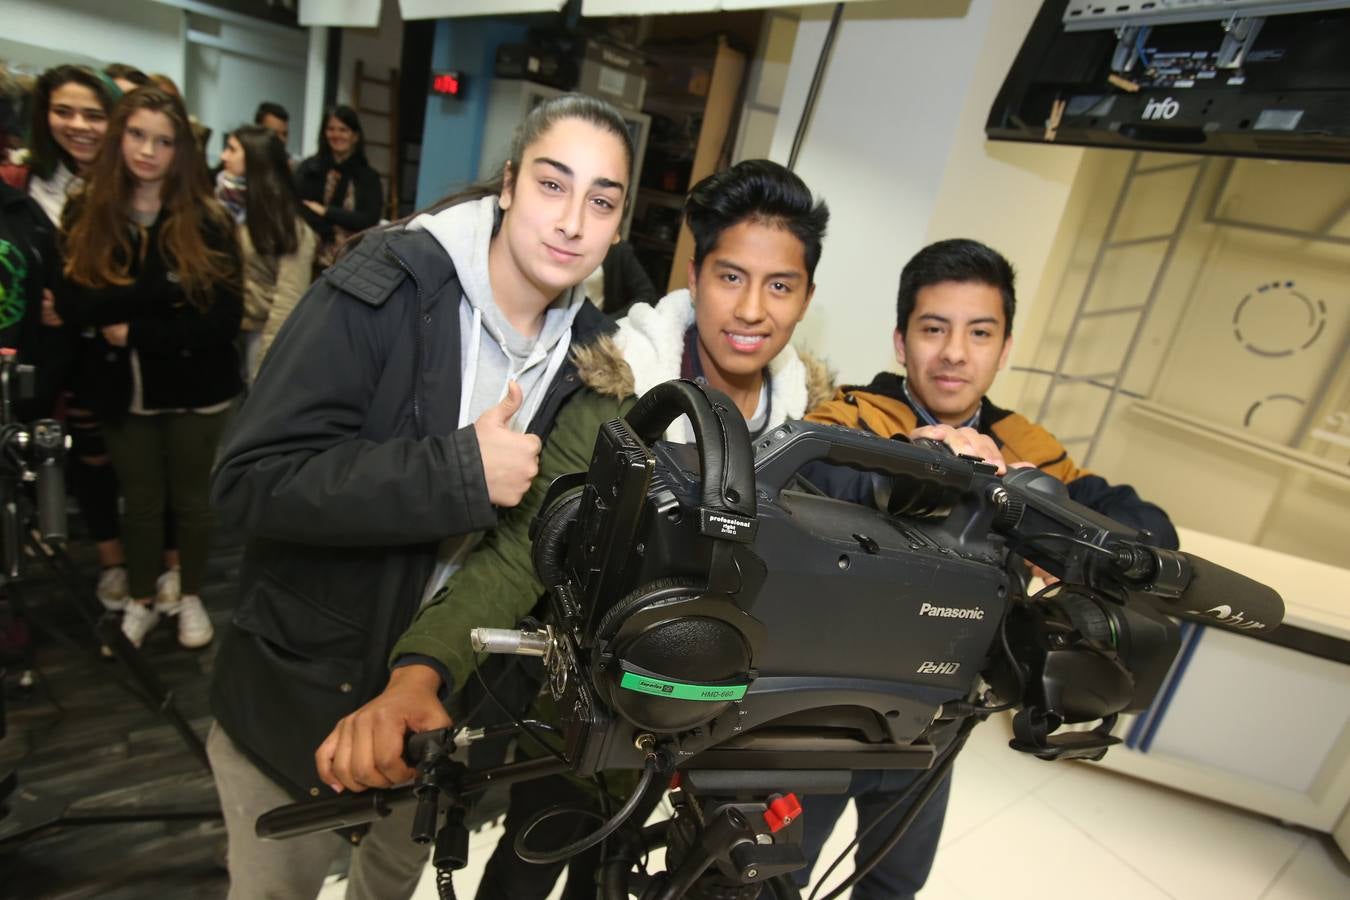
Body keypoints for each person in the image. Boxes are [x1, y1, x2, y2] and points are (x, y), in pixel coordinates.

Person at [315, 158, 836, 900]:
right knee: (528, 869)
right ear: (695, 273)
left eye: (779, 285)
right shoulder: (620, 402)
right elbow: (520, 554)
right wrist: (418, 673)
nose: (752, 308)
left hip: (708, 727)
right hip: (581, 717)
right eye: (730, 277)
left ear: (807, 295)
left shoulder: (803, 435)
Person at [206, 93, 636, 900]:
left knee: (389, 883)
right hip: (301, 691)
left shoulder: (590, 363)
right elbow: (249, 480)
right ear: (508, 185)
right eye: (553, 184)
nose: (573, 220)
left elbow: (524, 554)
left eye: (601, 200)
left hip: (442, 709)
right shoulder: (386, 287)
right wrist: (458, 476)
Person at [794, 237, 1179, 900]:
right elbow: (811, 476)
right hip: (822, 706)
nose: (954, 353)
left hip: (941, 710)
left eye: (979, 332)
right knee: (776, 871)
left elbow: (1147, 532)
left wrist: (1020, 488)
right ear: (900, 340)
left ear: (1004, 348)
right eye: (933, 329)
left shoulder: (1027, 446)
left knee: (894, 879)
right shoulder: (852, 417)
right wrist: (920, 470)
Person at [57, 87, 243, 650]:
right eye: (137, 135)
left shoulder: (206, 220)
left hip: (197, 390)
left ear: (180, 152)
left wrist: (134, 327)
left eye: (163, 141)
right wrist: (164, 300)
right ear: (119, 138)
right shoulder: (89, 211)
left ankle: (186, 594)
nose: (148, 151)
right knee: (137, 503)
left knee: (191, 503)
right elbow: (77, 304)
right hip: (120, 389)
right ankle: (140, 598)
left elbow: (221, 320)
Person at [216, 123, 315, 380]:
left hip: (259, 335)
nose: (223, 157)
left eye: (232, 149)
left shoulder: (290, 227)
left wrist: (265, 368)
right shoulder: (220, 208)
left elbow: (287, 302)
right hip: (222, 331)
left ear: (255, 159)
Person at [294, 104, 382, 271]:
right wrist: (329, 228)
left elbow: (368, 219)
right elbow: (299, 206)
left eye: (343, 130)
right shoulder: (309, 168)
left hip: (351, 259)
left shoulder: (368, 177)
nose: (336, 135)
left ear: (355, 136)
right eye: (331, 129)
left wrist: (326, 211)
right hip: (309, 253)